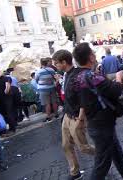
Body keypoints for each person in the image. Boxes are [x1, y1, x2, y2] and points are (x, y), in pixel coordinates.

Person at [72, 43, 123, 180]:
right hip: (102, 125)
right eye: (93, 53)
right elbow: (115, 90)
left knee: (117, 153)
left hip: (97, 122)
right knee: (102, 164)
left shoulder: (77, 77)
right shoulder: (92, 76)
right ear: (91, 57)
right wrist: (119, 78)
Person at [52, 49, 95, 180]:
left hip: (77, 116)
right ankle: (75, 173)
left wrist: (80, 119)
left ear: (64, 62)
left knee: (83, 147)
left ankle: (105, 155)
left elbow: (84, 98)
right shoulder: (65, 75)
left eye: (56, 63)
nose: (55, 66)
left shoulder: (78, 75)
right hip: (67, 115)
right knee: (66, 145)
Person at [0, 67, 17, 135]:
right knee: (2, 115)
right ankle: (4, 130)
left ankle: (12, 129)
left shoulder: (5, 78)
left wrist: (6, 90)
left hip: (7, 99)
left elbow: (7, 85)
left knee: (9, 113)